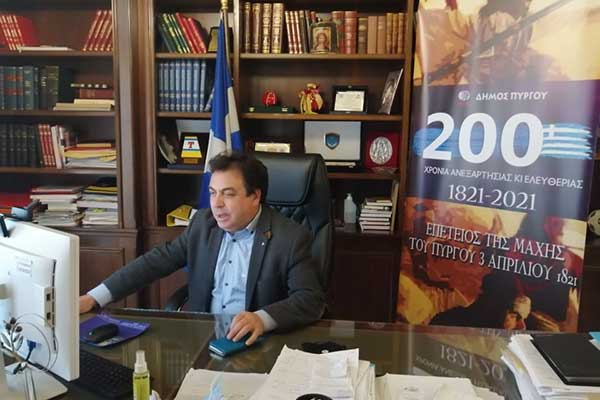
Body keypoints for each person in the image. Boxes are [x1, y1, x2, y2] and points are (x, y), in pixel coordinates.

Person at [79, 152, 325, 345]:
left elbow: (310, 299)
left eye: (228, 194)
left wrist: (262, 319)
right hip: (203, 339)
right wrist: (94, 297)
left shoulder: (290, 238)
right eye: (212, 193)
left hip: (259, 342)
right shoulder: (202, 224)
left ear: (255, 196)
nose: (216, 204)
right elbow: (154, 262)